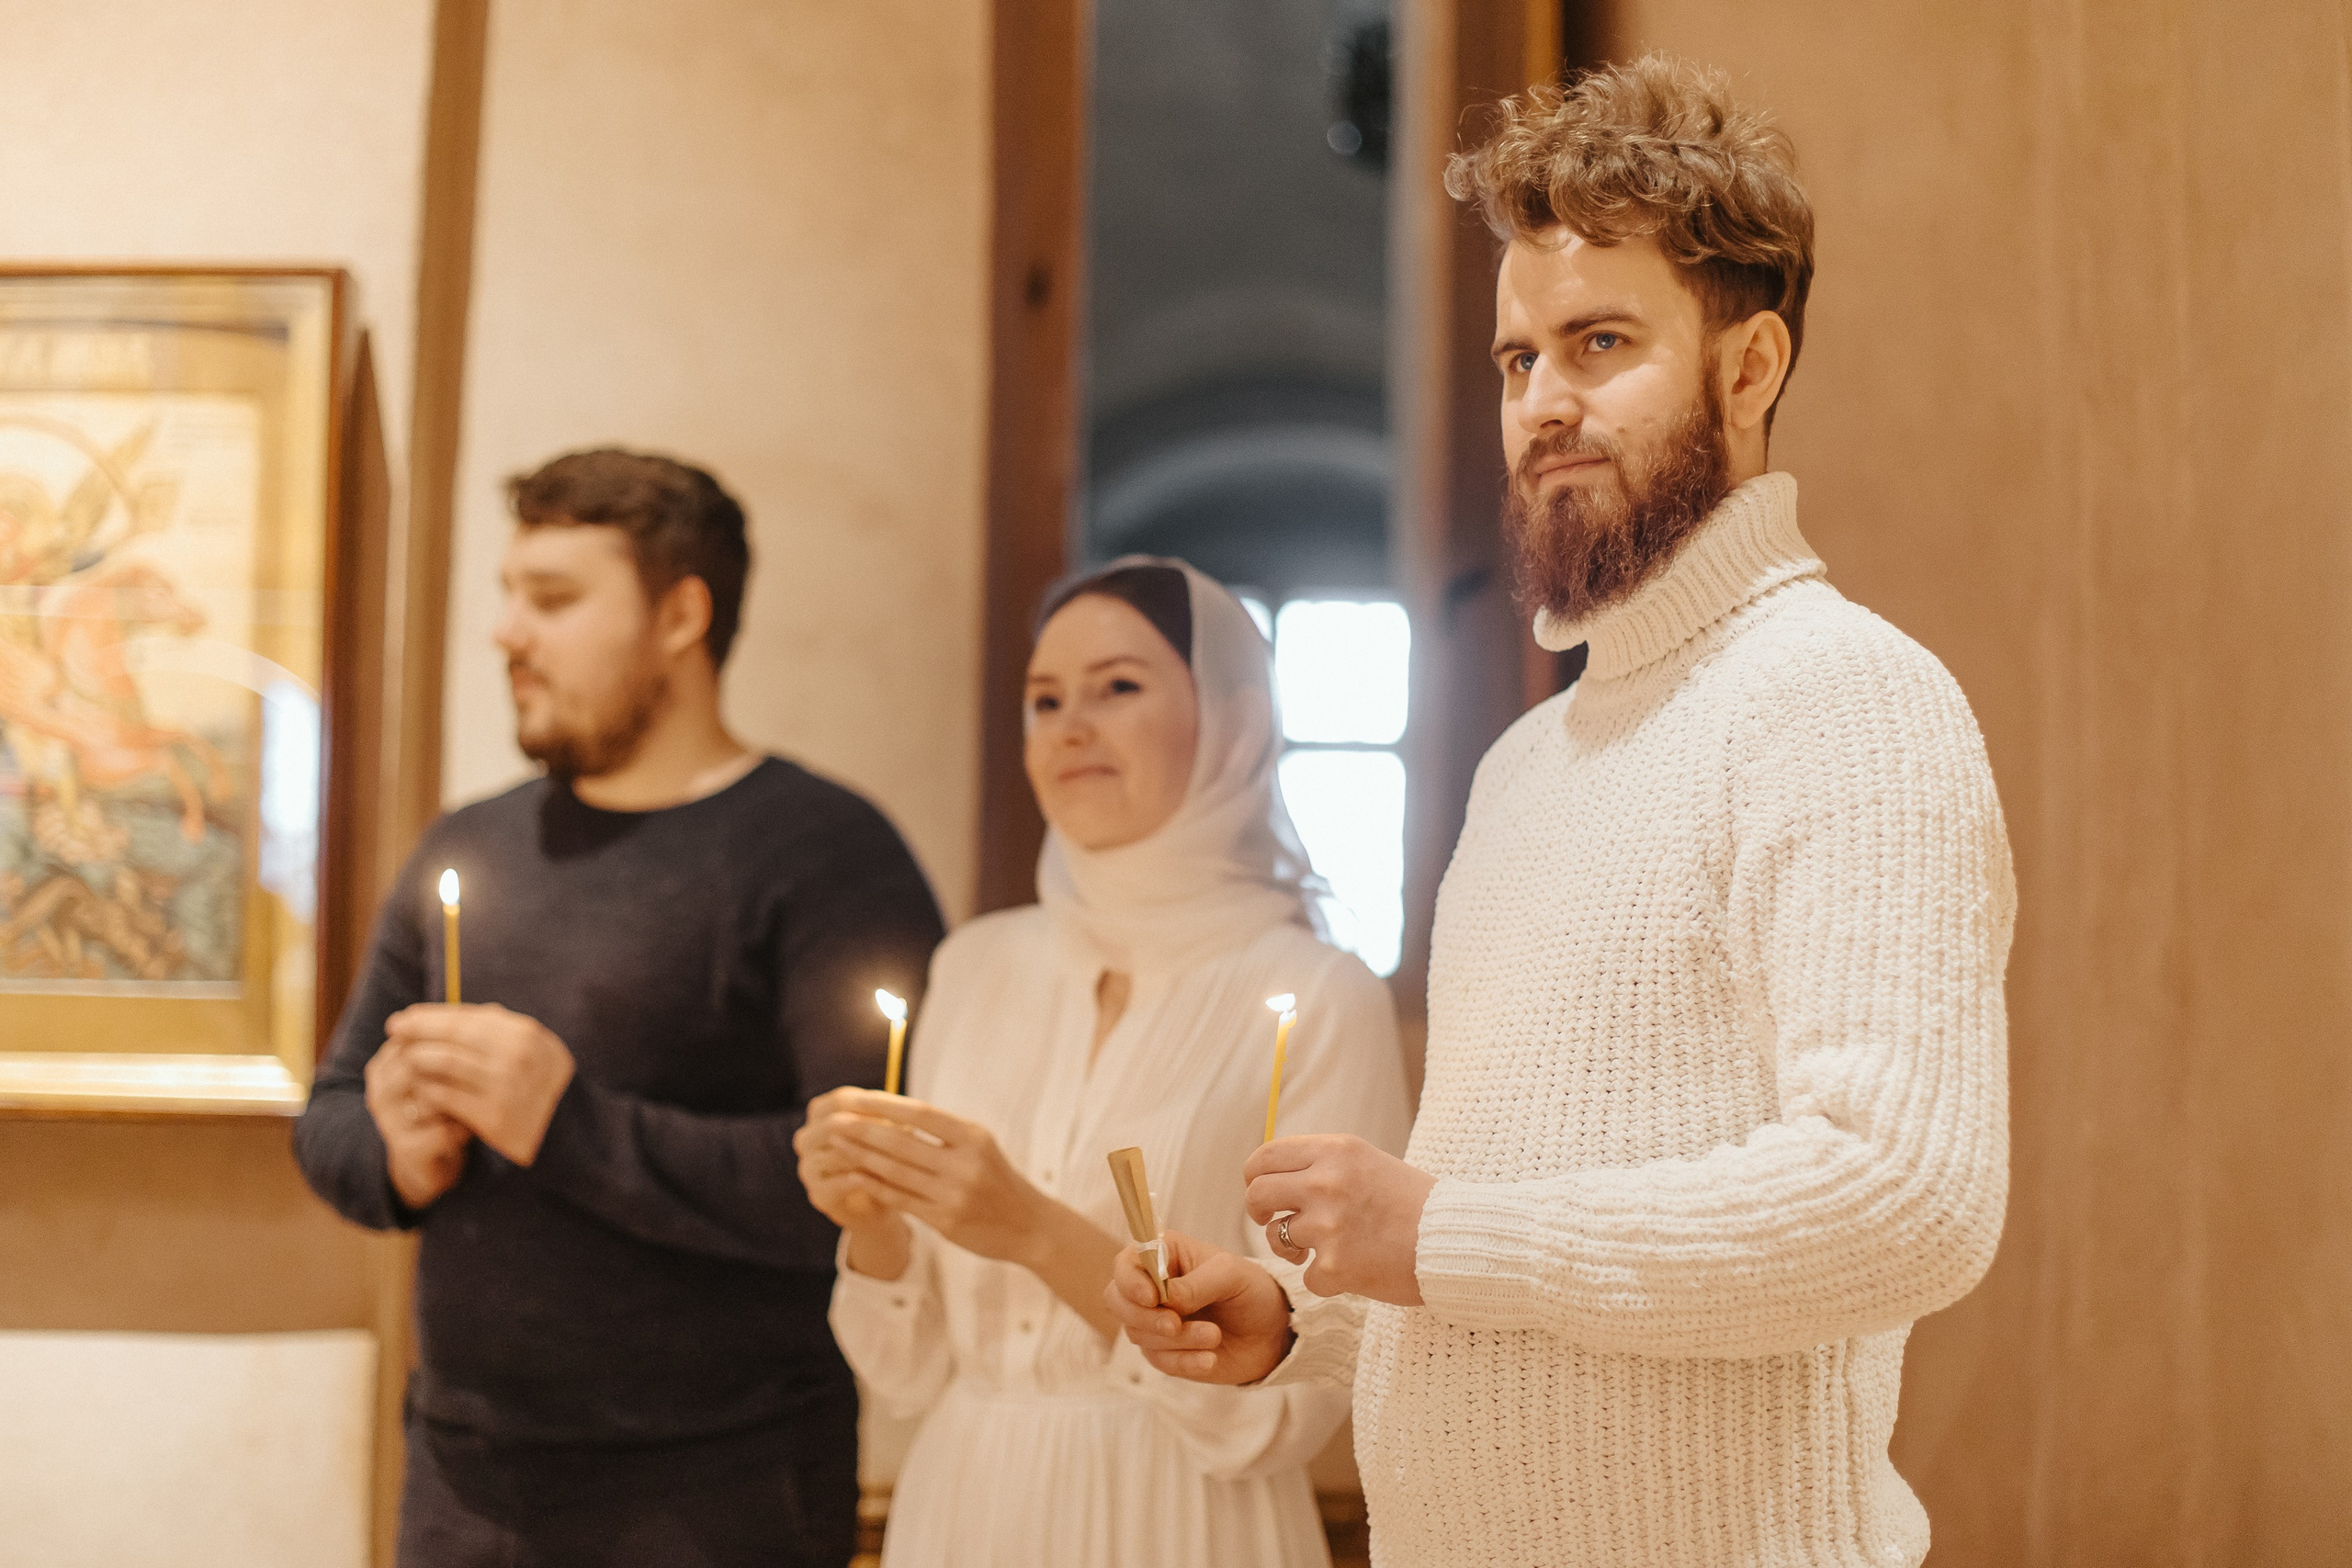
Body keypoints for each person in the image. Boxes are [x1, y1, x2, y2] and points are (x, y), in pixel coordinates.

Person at [1106, 56, 2015, 1568]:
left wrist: (1433, 1233)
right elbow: (1505, 1214)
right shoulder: (1527, 765)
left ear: (1749, 367)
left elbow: (1902, 1197)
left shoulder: (1847, 696)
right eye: (1516, 360)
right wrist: (1305, 1313)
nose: (1544, 404)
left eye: (1601, 343)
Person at [294, 448, 944, 1568]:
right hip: (466, 1480)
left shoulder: (826, 854)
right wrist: (395, 1155)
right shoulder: (468, 844)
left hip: (723, 1489)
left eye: (551, 600)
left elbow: (871, 1189)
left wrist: (569, 1122)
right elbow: (332, 1116)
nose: (507, 632)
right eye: (508, 595)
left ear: (680, 615)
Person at [797, 558, 1412, 1568]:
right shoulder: (975, 962)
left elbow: (1295, 1399)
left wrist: (1033, 1230)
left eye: (1117, 687)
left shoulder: (1318, 993)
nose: (1070, 725)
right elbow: (905, 1375)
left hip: (1185, 1520)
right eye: (1044, 700)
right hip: (965, 1503)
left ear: (1236, 723)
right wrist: (873, 1222)